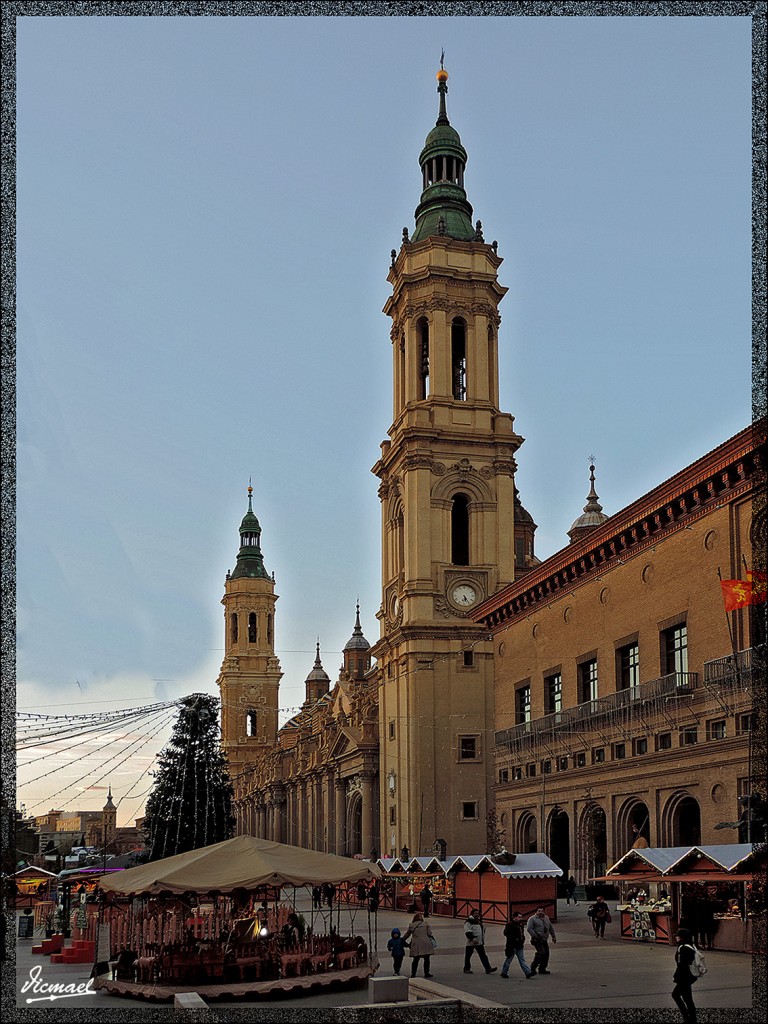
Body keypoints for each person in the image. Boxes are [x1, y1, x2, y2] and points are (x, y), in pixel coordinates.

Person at [672, 928, 699, 1024]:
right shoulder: (690, 946)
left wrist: (677, 975)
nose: (676, 938)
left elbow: (682, 964)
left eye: (678, 936)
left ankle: (687, 1017)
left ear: (682, 938)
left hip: (684, 977)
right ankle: (691, 1018)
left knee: (675, 995)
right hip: (689, 976)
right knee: (687, 998)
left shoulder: (683, 948)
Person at [500, 911, 535, 979]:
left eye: (521, 917)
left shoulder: (520, 925)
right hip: (512, 946)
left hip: (519, 945)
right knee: (509, 959)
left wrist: (522, 939)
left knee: (522, 959)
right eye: (519, 917)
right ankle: (504, 972)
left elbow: (521, 933)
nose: (520, 918)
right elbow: (506, 933)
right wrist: (515, 938)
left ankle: (528, 972)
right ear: (514, 917)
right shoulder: (510, 925)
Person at [403, 912, 434, 978]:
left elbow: (407, 935)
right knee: (426, 959)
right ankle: (426, 973)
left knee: (416, 960)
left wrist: (402, 939)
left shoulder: (412, 925)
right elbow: (429, 933)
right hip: (426, 943)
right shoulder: (426, 924)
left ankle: (413, 974)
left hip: (416, 944)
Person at [526, 907, 556, 974]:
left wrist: (553, 936)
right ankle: (533, 967)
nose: (541, 912)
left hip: (544, 939)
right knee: (541, 952)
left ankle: (542, 969)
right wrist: (535, 935)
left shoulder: (546, 918)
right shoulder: (532, 919)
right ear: (536, 911)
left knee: (546, 953)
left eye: (542, 911)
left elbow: (550, 927)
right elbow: (529, 928)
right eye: (539, 911)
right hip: (537, 939)